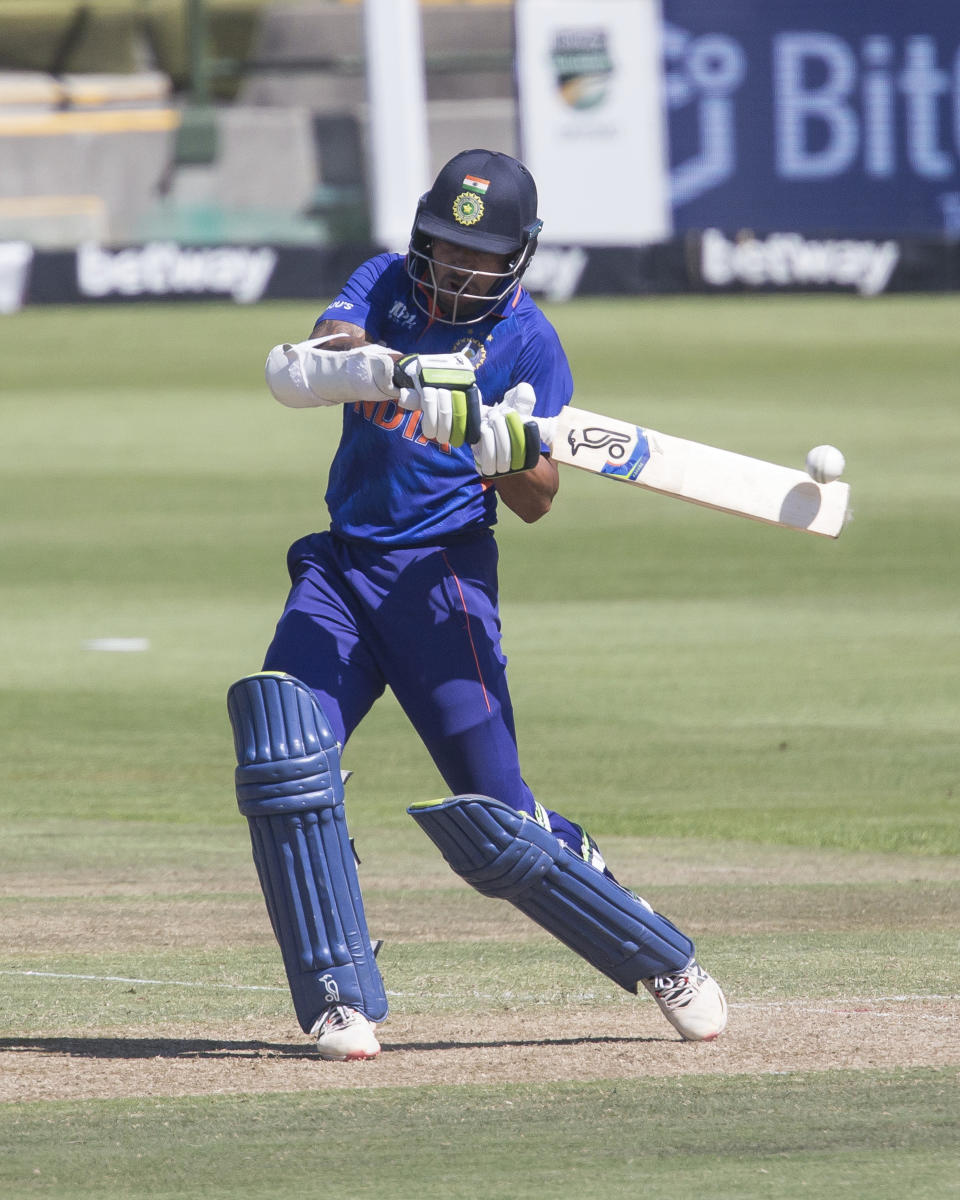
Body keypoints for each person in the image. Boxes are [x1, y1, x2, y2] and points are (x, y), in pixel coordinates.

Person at [227, 148, 727, 1062]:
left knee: (499, 826)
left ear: (518, 259)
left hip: (440, 584)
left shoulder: (530, 343)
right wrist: (390, 372)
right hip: (342, 570)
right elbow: (316, 356)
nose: (457, 268)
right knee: (283, 757)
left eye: (479, 255)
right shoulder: (382, 285)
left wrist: (503, 449)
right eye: (444, 245)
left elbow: (540, 496)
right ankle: (341, 996)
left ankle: (660, 955)